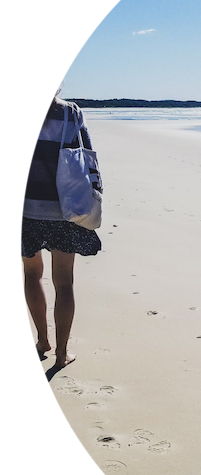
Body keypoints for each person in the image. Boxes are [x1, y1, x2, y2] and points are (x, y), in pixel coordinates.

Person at [21, 93, 102, 369]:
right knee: (64, 281)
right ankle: (61, 353)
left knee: (32, 274)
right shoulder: (71, 113)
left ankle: (42, 341)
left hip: (27, 211)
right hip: (66, 208)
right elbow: (88, 157)